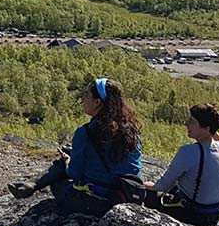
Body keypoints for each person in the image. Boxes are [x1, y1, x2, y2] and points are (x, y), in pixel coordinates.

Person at [8, 77, 145, 214]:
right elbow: (133, 168)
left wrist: (68, 162)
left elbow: (74, 173)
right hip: (125, 196)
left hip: (97, 202)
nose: (82, 99)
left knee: (58, 178)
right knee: (71, 154)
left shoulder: (85, 133)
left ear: (97, 102)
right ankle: (31, 185)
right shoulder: (131, 132)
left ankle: (32, 185)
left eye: (86, 95)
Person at [145, 104, 219, 226]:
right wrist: (210, 117)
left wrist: (143, 184)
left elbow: (162, 186)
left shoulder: (188, 152)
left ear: (206, 128)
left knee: (146, 194)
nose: (186, 124)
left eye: (192, 121)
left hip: (193, 214)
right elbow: (215, 133)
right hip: (214, 215)